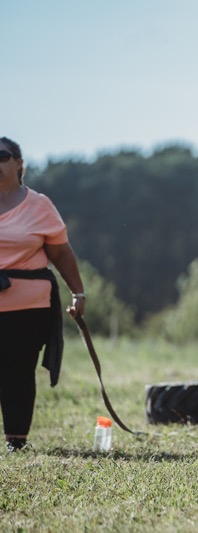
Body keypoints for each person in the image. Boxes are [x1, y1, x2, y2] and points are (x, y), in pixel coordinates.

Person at [0, 137, 86, 452]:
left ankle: (16, 440)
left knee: (18, 370)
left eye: (2, 156)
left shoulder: (38, 205)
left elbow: (61, 254)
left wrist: (78, 292)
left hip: (29, 306)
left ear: (19, 163)